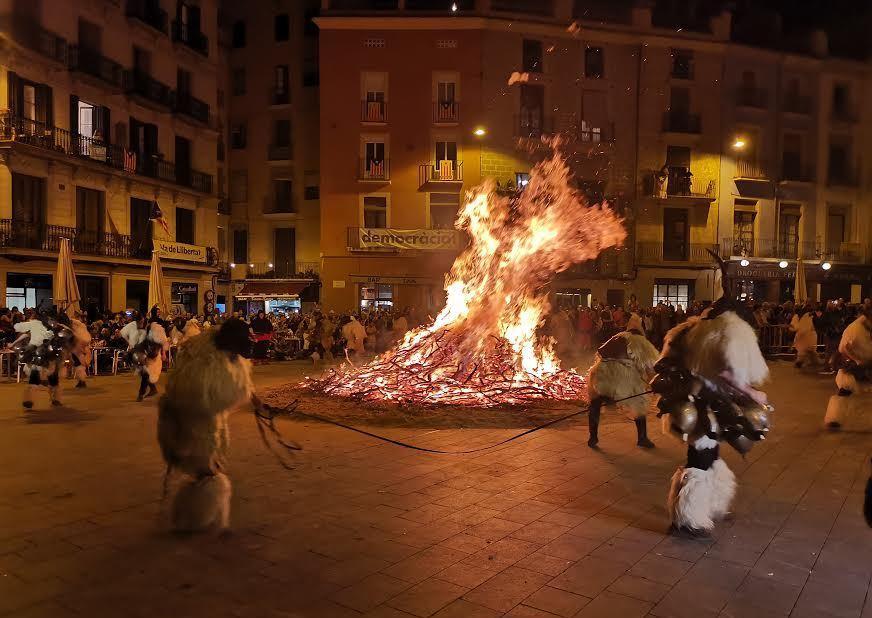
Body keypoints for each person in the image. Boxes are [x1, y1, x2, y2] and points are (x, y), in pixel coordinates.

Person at [653, 252, 771, 536]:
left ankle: (712, 504)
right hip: (700, 408)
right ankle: (687, 520)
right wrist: (753, 395)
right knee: (701, 459)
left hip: (703, 405)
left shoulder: (694, 331)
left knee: (710, 453)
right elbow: (727, 373)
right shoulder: (721, 332)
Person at [157, 318, 254, 532]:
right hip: (191, 425)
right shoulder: (202, 362)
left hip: (205, 423)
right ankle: (193, 517)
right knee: (206, 471)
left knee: (207, 469)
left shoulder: (215, 353)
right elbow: (199, 398)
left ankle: (198, 516)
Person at [586, 313, 660, 448]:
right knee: (639, 403)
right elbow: (652, 363)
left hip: (601, 373)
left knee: (595, 404)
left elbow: (600, 352)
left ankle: (593, 437)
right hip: (623, 376)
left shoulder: (617, 336)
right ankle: (642, 438)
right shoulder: (640, 340)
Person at [823, 304, 872, 430]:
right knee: (845, 390)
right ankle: (834, 419)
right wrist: (857, 360)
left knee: (845, 392)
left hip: (865, 363)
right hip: (854, 365)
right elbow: (844, 347)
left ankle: (835, 418)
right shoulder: (855, 329)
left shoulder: (865, 327)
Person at [13, 310, 65, 409]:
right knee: (39, 375)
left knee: (51, 377)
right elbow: (25, 334)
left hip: (47, 354)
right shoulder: (38, 326)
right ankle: (34, 398)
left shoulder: (49, 327)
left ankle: (54, 398)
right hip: (39, 354)